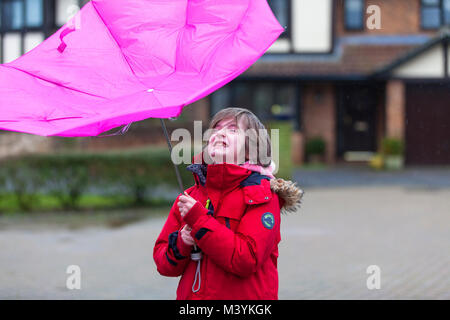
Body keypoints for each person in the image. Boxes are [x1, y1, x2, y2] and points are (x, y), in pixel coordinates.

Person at [153, 107, 303, 300]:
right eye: (216, 129)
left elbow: (245, 260)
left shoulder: (262, 195)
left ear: (252, 147)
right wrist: (182, 242)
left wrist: (199, 220)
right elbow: (164, 266)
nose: (219, 133)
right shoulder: (189, 197)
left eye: (232, 129)